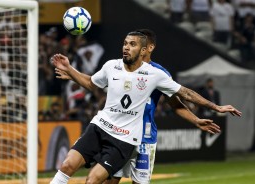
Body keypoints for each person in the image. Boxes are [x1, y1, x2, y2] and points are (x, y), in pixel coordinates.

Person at [49, 31, 241, 184]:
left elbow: (182, 97)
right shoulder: (111, 66)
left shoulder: (156, 74)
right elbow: (92, 83)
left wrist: (214, 108)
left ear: (145, 50)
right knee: (69, 166)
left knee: (104, 181)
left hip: (135, 138)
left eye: (132, 44)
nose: (126, 47)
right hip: (101, 126)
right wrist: (71, 71)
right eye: (125, 43)